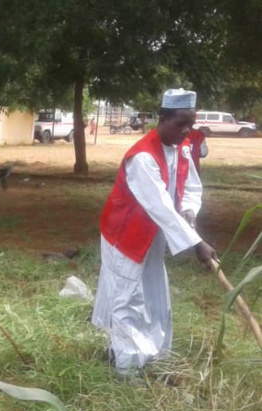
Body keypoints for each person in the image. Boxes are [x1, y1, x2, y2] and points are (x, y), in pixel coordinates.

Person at [92, 89, 216, 379]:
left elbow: (191, 186)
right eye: (180, 124)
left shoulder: (182, 147)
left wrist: (189, 211)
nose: (186, 131)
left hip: (153, 234)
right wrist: (197, 243)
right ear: (162, 119)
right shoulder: (142, 157)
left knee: (153, 293)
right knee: (127, 297)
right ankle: (126, 368)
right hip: (126, 235)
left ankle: (152, 352)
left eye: (191, 124)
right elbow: (159, 205)